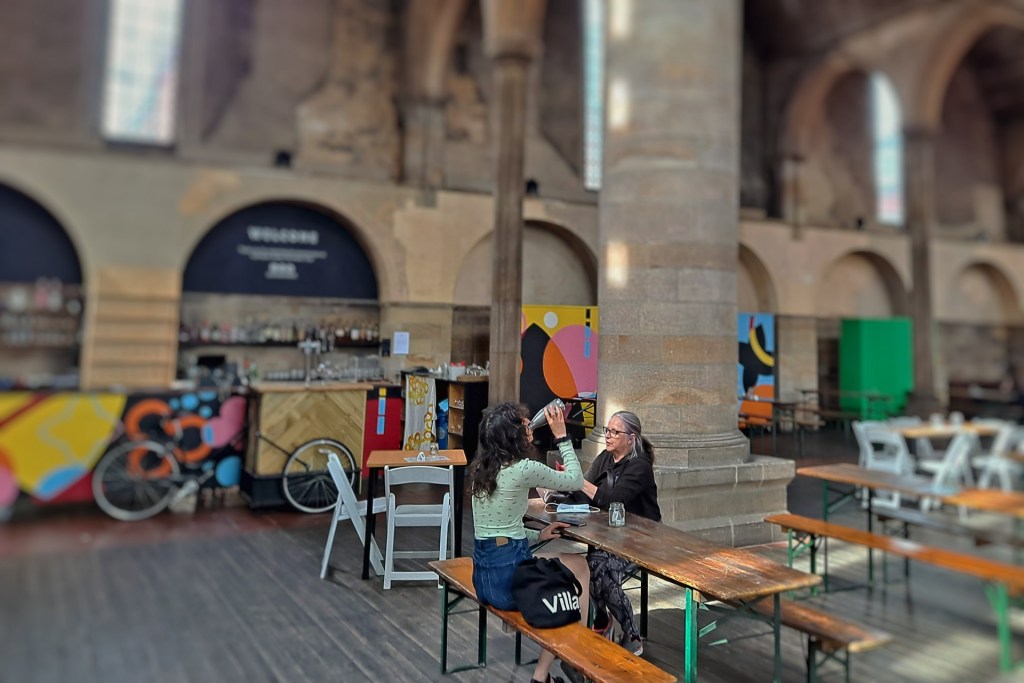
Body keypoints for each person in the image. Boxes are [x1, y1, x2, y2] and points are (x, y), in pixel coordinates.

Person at [469, 401, 591, 683]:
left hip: (485, 578)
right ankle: (575, 653)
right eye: (525, 424)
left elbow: (497, 532)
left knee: (566, 566)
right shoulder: (523, 469)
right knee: (576, 573)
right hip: (510, 581)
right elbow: (575, 480)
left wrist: (539, 535)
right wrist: (561, 436)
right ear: (514, 435)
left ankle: (544, 676)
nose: (530, 426)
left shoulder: (481, 472)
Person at [569, 410, 659, 671]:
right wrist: (565, 485)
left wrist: (580, 483)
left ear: (631, 438)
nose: (607, 436)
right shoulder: (606, 457)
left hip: (641, 539)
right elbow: (587, 485)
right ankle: (601, 619)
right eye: (607, 430)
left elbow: (613, 498)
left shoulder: (639, 465)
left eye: (614, 432)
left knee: (601, 568)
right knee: (590, 565)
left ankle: (630, 635)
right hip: (610, 536)